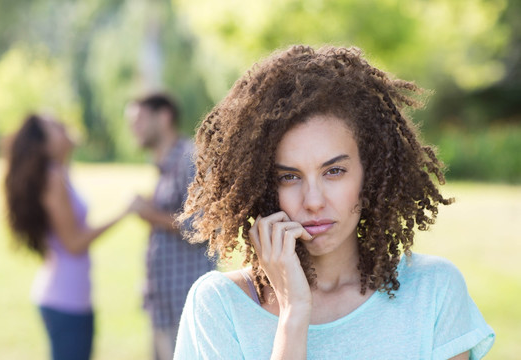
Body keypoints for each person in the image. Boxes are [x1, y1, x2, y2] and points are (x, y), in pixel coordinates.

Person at [173, 46, 495, 359]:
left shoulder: (434, 291)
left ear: (370, 173)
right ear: (263, 186)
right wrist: (294, 314)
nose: (313, 201)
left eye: (334, 171)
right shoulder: (218, 306)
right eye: (289, 177)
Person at [3, 114, 135, 360]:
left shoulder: (58, 171)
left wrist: (69, 144)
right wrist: (124, 213)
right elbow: (74, 243)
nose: (65, 126)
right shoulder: (52, 177)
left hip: (70, 295)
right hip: (65, 299)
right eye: (56, 126)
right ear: (44, 144)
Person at [127, 93, 215, 360]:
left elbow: (204, 225)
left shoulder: (191, 158)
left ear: (164, 117)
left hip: (184, 305)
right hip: (163, 305)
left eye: (139, 119)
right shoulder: (166, 166)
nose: (133, 128)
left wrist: (150, 214)